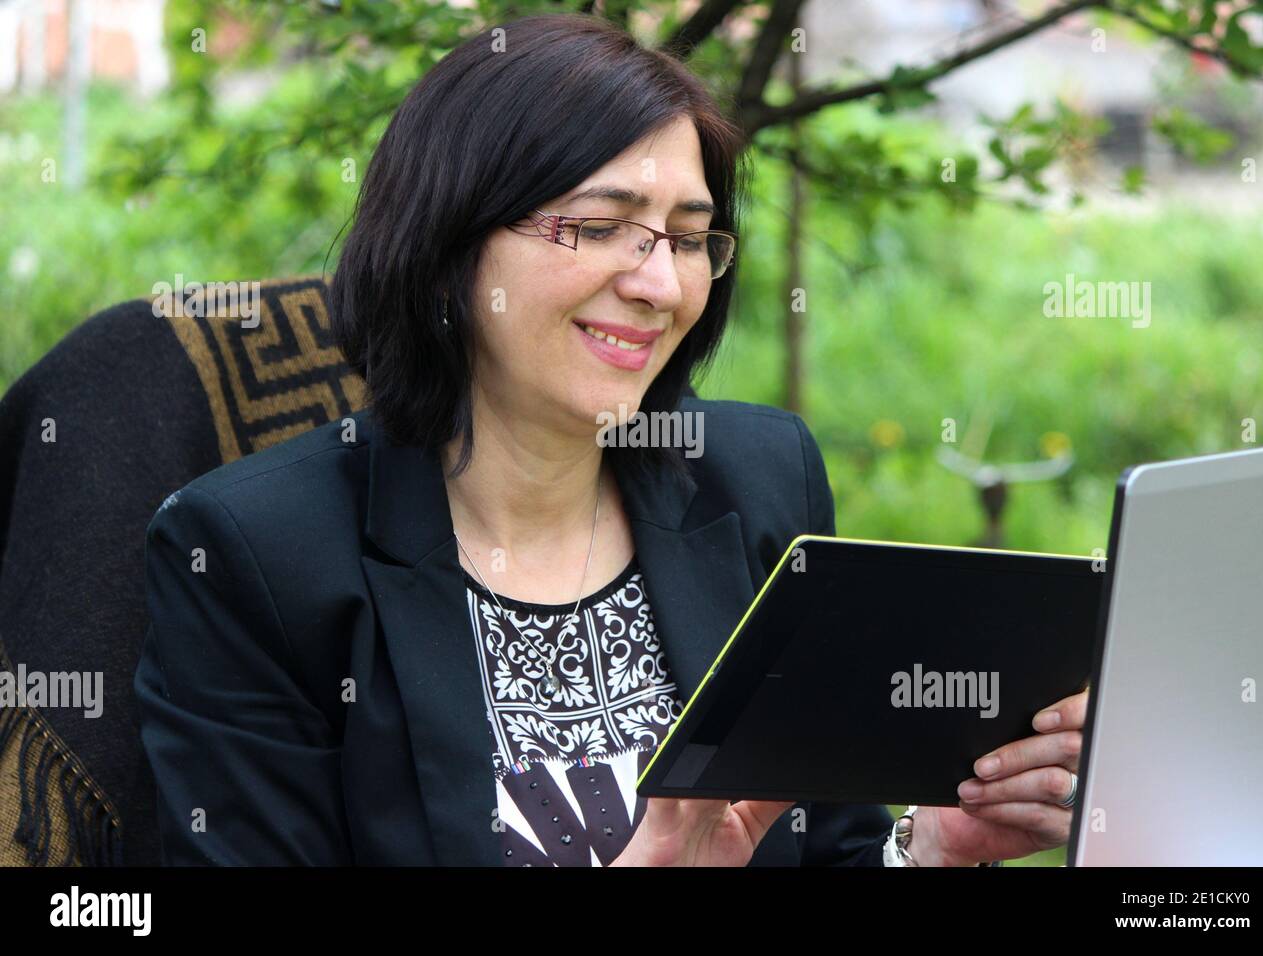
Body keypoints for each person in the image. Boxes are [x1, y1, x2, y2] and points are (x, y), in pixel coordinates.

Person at [134, 12, 1087, 867]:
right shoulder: (255, 557)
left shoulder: (756, 484)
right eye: (600, 228)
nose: (660, 286)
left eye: (686, 238)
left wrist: (929, 852)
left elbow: (825, 848)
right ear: (447, 244)